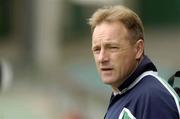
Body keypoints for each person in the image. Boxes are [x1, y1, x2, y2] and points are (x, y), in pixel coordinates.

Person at [88, 5, 180, 119]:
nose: (102, 58)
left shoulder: (153, 98)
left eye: (112, 47)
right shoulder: (125, 93)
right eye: (97, 49)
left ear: (138, 49)